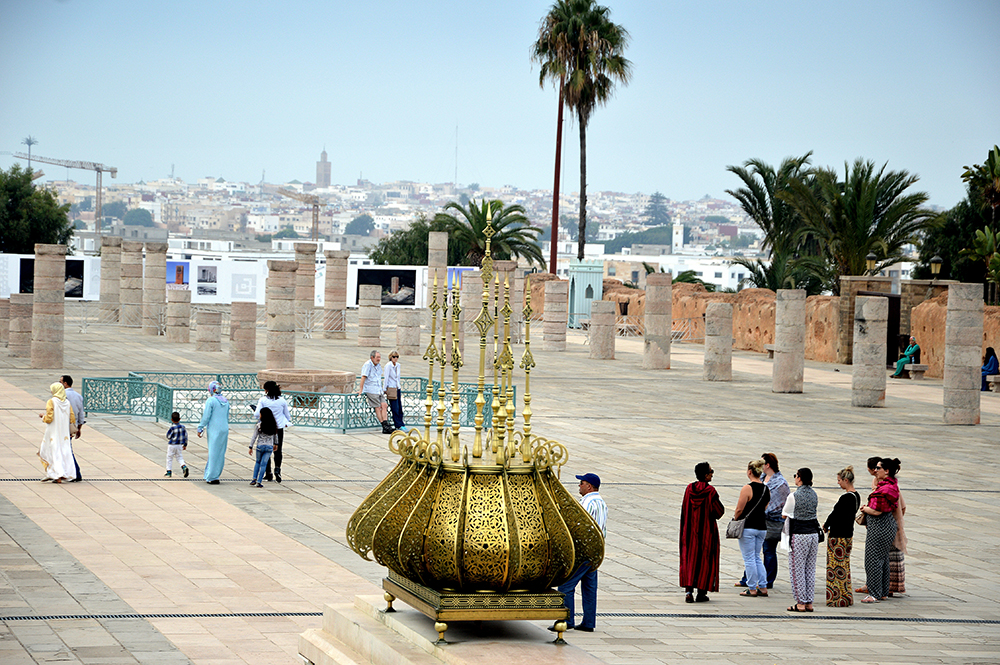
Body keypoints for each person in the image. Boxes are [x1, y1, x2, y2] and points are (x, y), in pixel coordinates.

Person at [552, 472, 607, 633]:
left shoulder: (587, 503)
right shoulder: (602, 503)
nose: (579, 486)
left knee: (565, 586)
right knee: (589, 588)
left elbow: (581, 527)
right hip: (596, 552)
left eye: (581, 483)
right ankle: (589, 622)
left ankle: (567, 620)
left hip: (583, 551)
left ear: (589, 486)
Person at [737, 452, 788, 588]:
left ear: (767, 465)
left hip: (772, 522)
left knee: (767, 551)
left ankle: (767, 581)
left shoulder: (780, 483)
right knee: (754, 554)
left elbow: (781, 504)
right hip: (760, 520)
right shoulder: (762, 478)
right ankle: (748, 579)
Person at [679, 462, 725, 603]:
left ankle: (688, 591)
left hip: (689, 532)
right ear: (705, 475)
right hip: (706, 532)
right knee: (705, 560)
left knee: (689, 559)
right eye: (711, 472)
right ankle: (701, 592)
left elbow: (684, 509)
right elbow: (719, 511)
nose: (712, 474)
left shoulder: (689, 489)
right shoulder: (710, 491)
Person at [859, 458, 901, 603]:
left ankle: (874, 593)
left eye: (878, 468)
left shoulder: (884, 489)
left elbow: (877, 511)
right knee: (882, 560)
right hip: (886, 527)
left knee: (872, 560)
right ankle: (882, 592)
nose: (875, 470)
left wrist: (865, 509)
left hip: (880, 527)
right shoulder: (890, 485)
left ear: (887, 471)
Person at [782, 467, 822, 612]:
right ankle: (809, 602)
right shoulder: (814, 494)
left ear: (799, 478)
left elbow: (784, 514)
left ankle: (800, 602)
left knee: (797, 569)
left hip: (799, 534)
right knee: (810, 569)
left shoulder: (794, 496)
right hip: (813, 534)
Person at [823, 465, 861, 607]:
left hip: (838, 536)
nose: (838, 483)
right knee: (844, 565)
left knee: (835, 567)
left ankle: (837, 598)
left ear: (846, 480)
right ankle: (846, 596)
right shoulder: (856, 496)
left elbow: (835, 514)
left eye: (839, 480)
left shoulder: (846, 497)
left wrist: (826, 525)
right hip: (848, 535)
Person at [734, 459, 770, 598]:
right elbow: (765, 507)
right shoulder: (766, 489)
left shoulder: (747, 488)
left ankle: (751, 588)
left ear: (749, 472)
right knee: (757, 557)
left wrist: (735, 520)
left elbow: (739, 509)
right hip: (762, 526)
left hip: (748, 527)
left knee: (749, 558)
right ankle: (762, 586)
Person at [38, 383, 77, 483]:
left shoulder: (52, 401)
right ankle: (65, 473)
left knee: (52, 451)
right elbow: (72, 418)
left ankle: (56, 474)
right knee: (64, 451)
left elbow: (49, 418)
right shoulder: (67, 402)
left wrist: (43, 416)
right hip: (64, 432)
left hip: (53, 431)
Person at [254, 381, 292, 483]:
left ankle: (268, 472)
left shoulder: (263, 400)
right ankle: (278, 469)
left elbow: (257, 414)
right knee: (278, 450)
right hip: (278, 428)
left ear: (266, 390)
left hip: (266, 428)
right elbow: (288, 416)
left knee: (266, 449)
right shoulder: (282, 401)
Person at [197, 381, 230, 485]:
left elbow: (206, 416)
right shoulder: (226, 401)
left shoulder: (211, 400)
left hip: (214, 429)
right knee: (220, 452)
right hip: (224, 428)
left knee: (213, 452)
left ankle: (212, 476)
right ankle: (212, 473)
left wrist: (200, 427)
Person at [358, 350, 393, 434]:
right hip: (371, 389)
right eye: (377, 357)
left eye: (379, 357)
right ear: (372, 358)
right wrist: (361, 389)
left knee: (384, 405)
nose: (379, 359)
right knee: (378, 407)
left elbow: (378, 377)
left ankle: (386, 424)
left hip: (379, 389)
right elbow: (363, 377)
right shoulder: (367, 365)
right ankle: (384, 426)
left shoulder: (378, 365)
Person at [60, 375, 84, 482]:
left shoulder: (62, 395)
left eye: (61, 382)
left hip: (63, 426)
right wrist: (79, 428)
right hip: (72, 426)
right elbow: (81, 415)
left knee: (66, 450)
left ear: (65, 383)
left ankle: (75, 473)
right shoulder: (78, 396)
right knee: (66, 449)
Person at [248, 407, 278, 488]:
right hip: (269, 446)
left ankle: (254, 478)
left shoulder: (259, 425)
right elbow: (276, 436)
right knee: (264, 464)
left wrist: (250, 446)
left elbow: (254, 437)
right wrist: (276, 444)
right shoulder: (273, 425)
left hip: (260, 446)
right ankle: (259, 481)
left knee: (258, 462)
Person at [165, 411, 189, 478]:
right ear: (179, 419)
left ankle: (169, 472)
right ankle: (184, 466)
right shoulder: (183, 427)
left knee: (169, 458)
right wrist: (185, 444)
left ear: (171, 419)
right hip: (179, 445)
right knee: (179, 457)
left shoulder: (172, 428)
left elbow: (168, 436)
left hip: (172, 445)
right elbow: (186, 436)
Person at [385, 350, 405, 430]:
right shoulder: (388, 366)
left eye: (397, 357)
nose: (395, 358)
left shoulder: (398, 365)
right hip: (391, 388)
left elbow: (398, 377)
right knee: (395, 407)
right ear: (391, 357)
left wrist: (399, 386)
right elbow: (386, 377)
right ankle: (398, 424)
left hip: (397, 387)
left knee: (400, 407)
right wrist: (385, 388)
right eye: (394, 357)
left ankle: (401, 423)